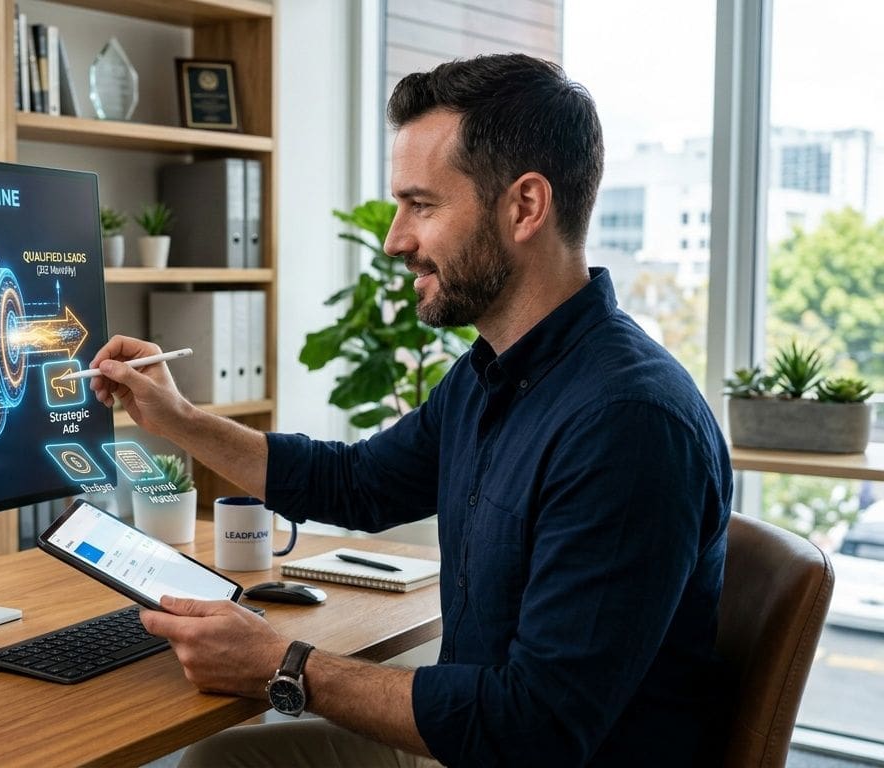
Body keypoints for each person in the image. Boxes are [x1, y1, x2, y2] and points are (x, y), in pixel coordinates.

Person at [87, 53, 731, 767]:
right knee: (221, 760)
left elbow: (535, 730)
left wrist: (286, 665)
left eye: (421, 205)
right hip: (480, 745)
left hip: (526, 751)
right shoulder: (491, 375)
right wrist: (176, 417)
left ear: (525, 207)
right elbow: (355, 482)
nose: (396, 239)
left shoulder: (629, 423)